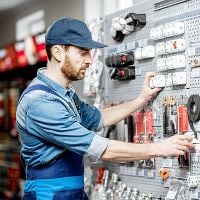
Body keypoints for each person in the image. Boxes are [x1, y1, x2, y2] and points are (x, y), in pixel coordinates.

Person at [16, 17, 193, 200]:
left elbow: (99, 118)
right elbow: (100, 148)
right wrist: (160, 149)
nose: (90, 61)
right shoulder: (41, 102)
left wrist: (141, 99)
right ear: (59, 53)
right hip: (47, 195)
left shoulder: (63, 94)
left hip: (73, 193)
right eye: (83, 52)